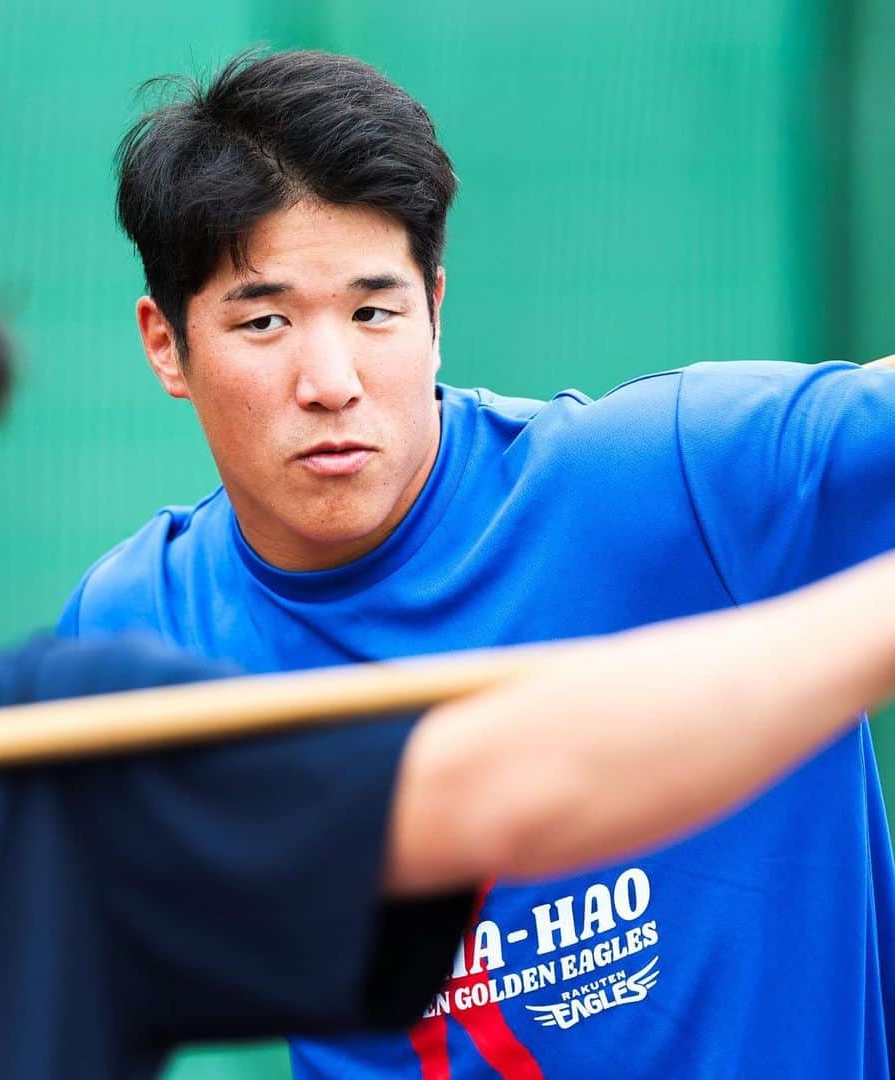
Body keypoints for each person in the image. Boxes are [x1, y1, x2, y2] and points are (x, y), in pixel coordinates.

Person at [61, 51, 895, 1079]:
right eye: (265, 320)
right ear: (166, 344)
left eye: (374, 311)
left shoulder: (683, 475)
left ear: (436, 311)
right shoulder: (137, 629)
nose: (330, 381)